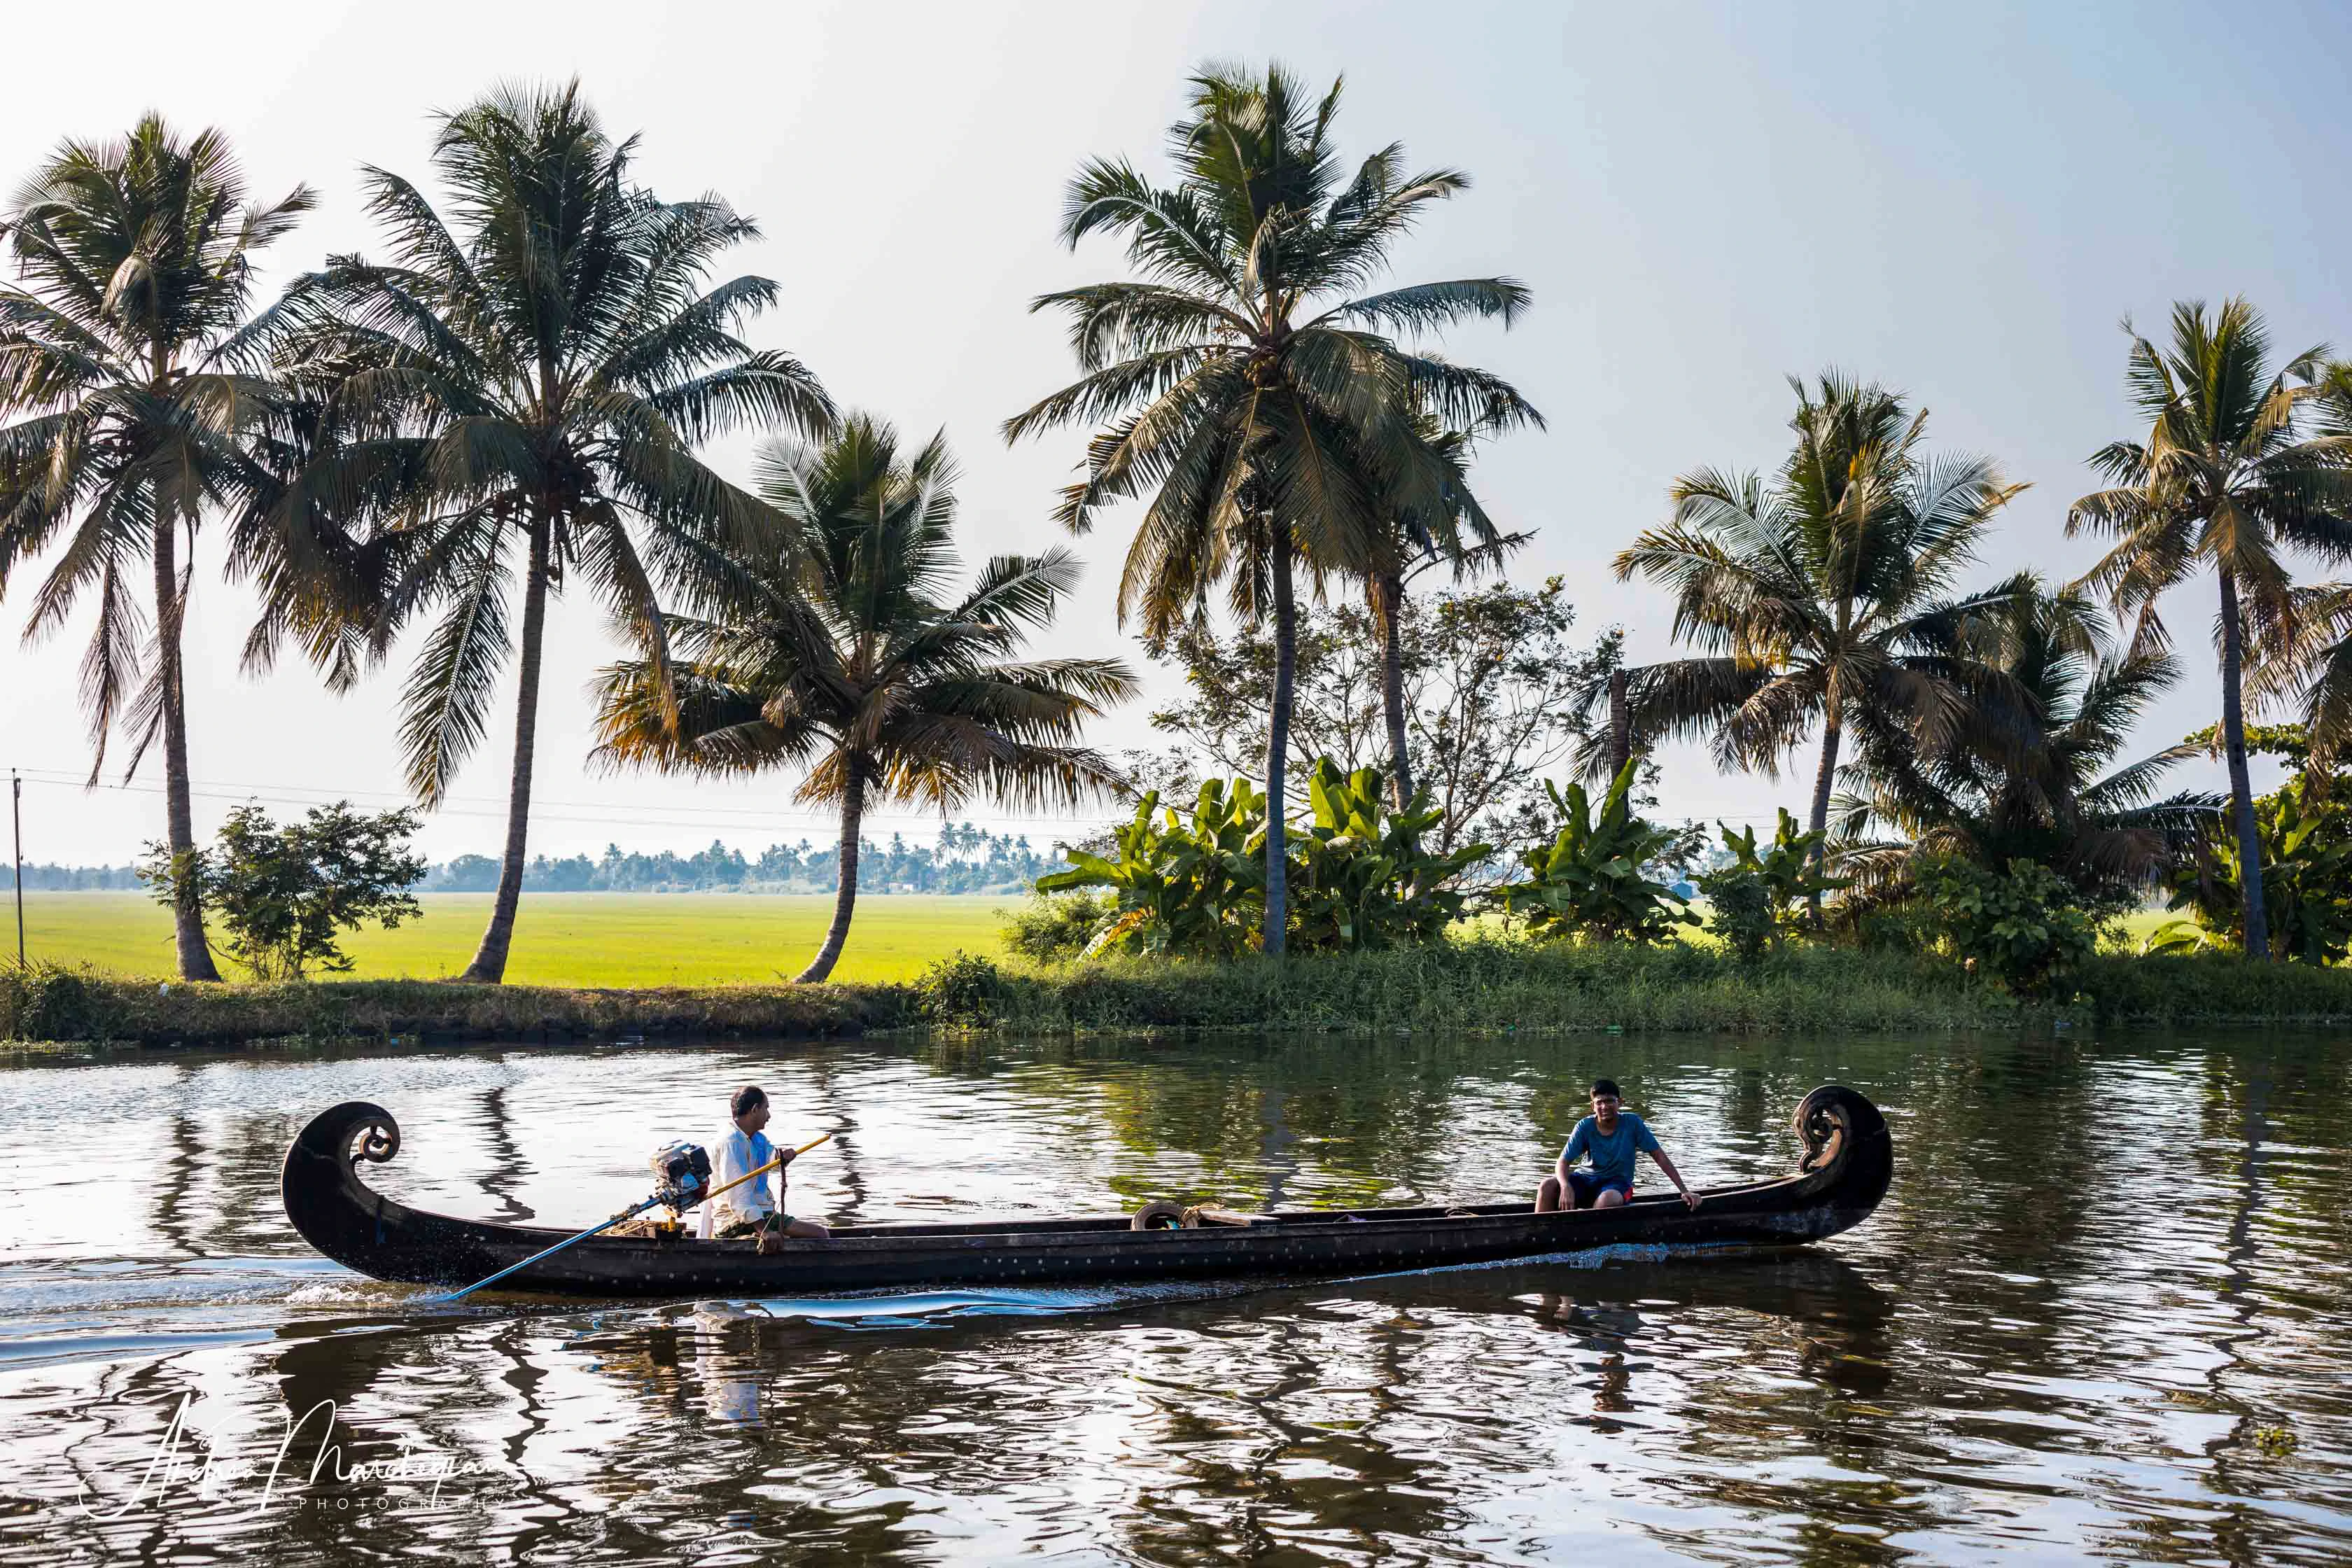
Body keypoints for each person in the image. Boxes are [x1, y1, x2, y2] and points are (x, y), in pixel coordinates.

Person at [1536, 1078, 1701, 1213]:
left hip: (1617, 1184)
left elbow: (1659, 1156)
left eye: (1610, 1101)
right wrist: (1565, 1187)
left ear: (1620, 1102)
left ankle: (1587, 1237)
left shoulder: (1632, 1123)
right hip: (1585, 1179)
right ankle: (1537, 1232)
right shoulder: (1584, 1126)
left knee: (1607, 1200)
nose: (1604, 1107)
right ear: (1593, 1106)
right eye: (1599, 1103)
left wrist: (1684, 1190)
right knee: (1547, 1186)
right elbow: (1563, 1162)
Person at [701, 1084, 830, 1252]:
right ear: (755, 1109)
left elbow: (769, 1158)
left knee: (813, 1234)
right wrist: (764, 1230)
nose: (768, 1116)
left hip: (761, 1214)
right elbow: (739, 1194)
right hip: (736, 1222)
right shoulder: (732, 1142)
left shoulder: (755, 1138)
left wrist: (781, 1156)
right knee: (821, 1234)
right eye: (766, 1109)